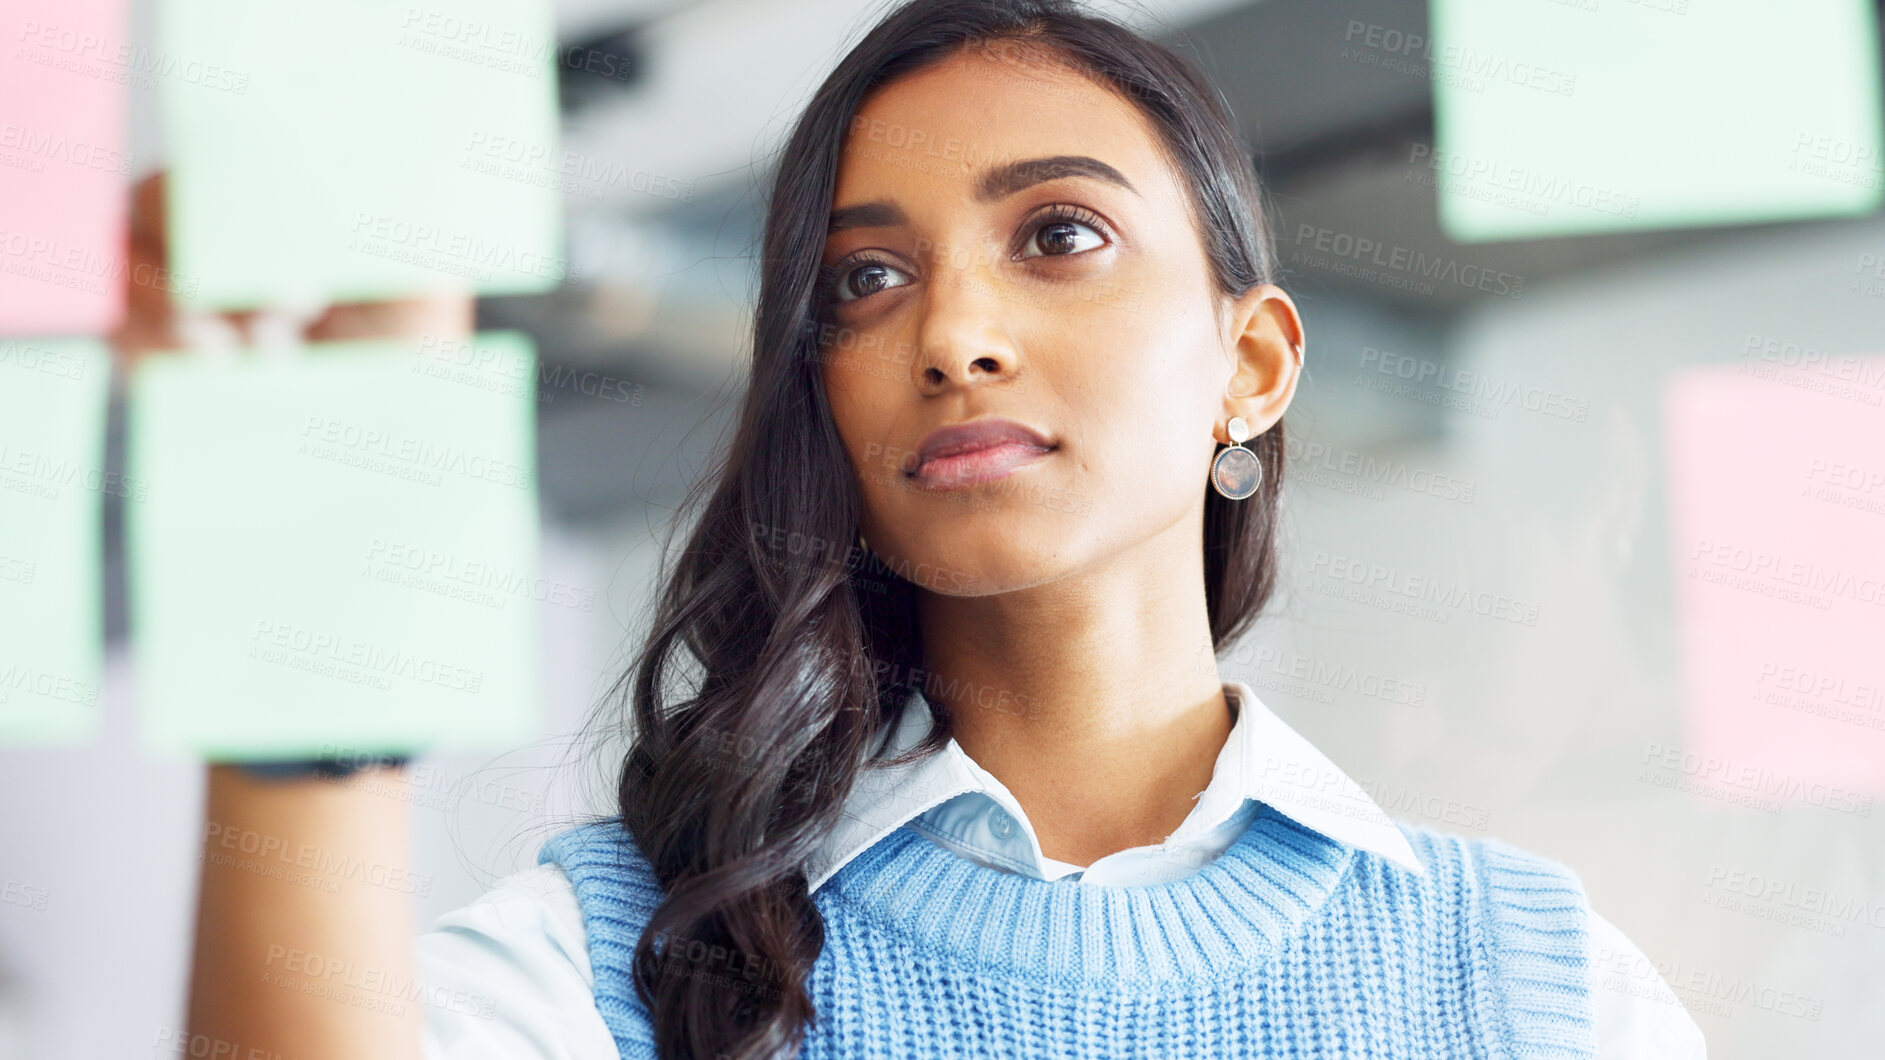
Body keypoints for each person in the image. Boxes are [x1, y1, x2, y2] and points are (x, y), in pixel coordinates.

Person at [173, 1, 1710, 1057]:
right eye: (862, 280)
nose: (953, 332)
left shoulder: (1536, 985)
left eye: (1059, 235)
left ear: (1248, 366)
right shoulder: (633, 959)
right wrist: (328, 480)